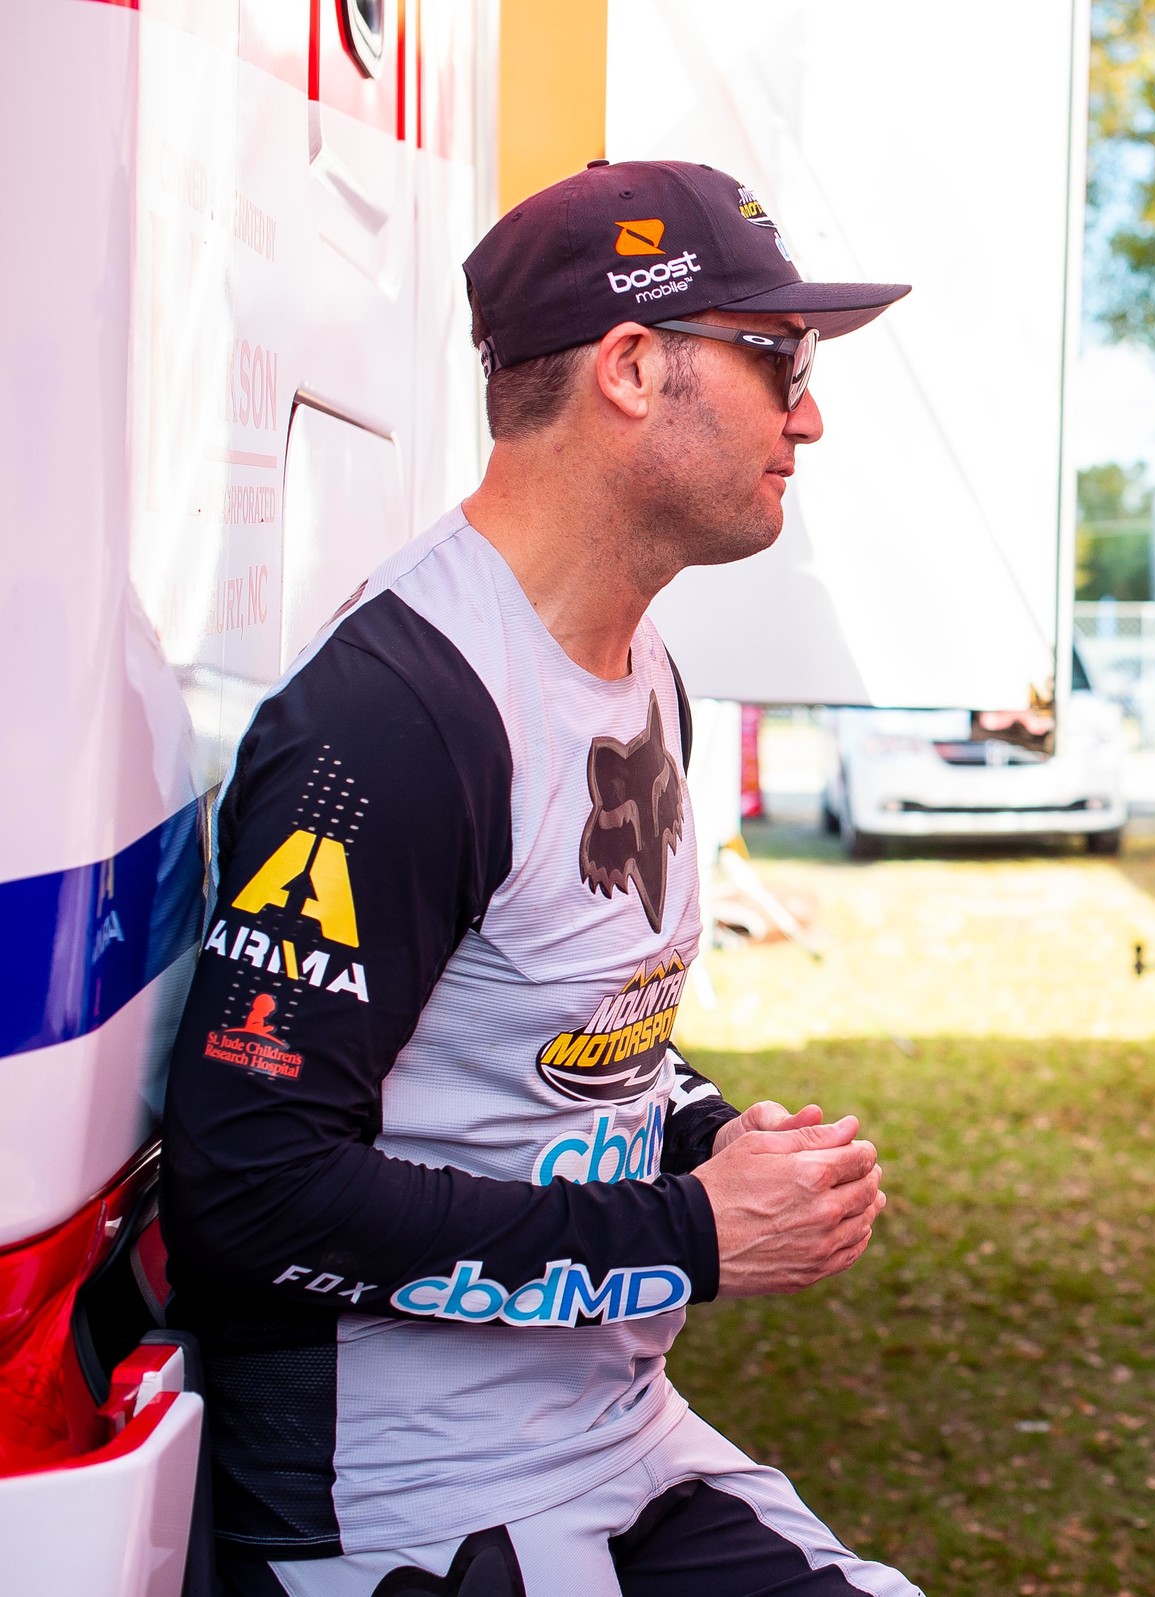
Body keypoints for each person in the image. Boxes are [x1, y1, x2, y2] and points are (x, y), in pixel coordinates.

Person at [163, 159, 920, 1596]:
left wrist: (705, 1130)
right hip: (400, 1497)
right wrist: (691, 1232)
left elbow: (544, 1033)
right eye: (781, 358)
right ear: (633, 369)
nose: (808, 413)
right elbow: (245, 1196)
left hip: (611, 1435)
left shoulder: (647, 671)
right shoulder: (389, 719)